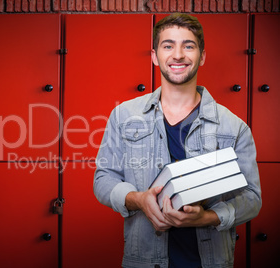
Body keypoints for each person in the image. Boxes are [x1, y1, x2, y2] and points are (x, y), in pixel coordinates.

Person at [93, 13, 262, 268]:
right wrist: (139, 199)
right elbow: (103, 179)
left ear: (202, 56)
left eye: (188, 45)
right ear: (154, 56)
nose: (178, 55)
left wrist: (206, 217)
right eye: (168, 45)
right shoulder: (124, 116)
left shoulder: (234, 127)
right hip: (144, 261)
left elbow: (252, 197)